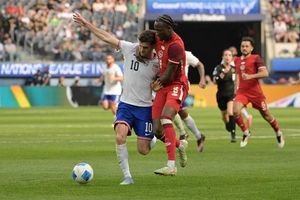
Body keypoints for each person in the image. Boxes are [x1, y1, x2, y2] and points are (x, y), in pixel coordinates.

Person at [73, 12, 159, 185]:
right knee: (120, 136)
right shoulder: (129, 48)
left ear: (153, 47)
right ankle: (127, 176)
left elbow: (165, 80)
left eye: (145, 47)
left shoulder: (159, 62)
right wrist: (87, 24)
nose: (141, 49)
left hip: (145, 108)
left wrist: (159, 85)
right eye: (140, 46)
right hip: (126, 104)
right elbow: (107, 37)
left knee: (143, 150)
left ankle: (152, 139)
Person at [152, 14, 189, 176]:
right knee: (157, 131)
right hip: (162, 86)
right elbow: (144, 40)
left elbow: (167, 77)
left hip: (175, 84)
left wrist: (153, 83)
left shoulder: (176, 46)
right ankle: (179, 145)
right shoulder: (159, 35)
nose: (157, 34)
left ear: (169, 29)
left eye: (159, 31)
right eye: (155, 30)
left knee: (166, 117)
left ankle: (171, 165)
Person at [233, 36, 285, 148]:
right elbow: (237, 76)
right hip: (242, 92)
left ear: (251, 48)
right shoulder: (237, 60)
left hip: (256, 93)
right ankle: (246, 132)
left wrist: (251, 76)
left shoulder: (256, 58)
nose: (244, 48)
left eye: (247, 46)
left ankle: (278, 132)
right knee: (235, 111)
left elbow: (265, 73)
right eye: (242, 46)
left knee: (267, 115)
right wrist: (235, 90)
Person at [173, 50, 206, 152]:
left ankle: (183, 134)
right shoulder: (163, 52)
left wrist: (202, 79)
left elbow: (199, 64)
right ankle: (199, 136)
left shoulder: (185, 54)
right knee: (182, 113)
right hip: (169, 87)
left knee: (169, 108)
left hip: (180, 87)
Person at [213, 49, 237, 143]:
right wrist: (224, 72)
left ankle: (233, 134)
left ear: (232, 57)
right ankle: (227, 124)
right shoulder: (218, 68)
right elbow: (215, 81)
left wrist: (237, 89)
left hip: (231, 94)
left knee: (231, 112)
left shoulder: (234, 69)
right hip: (221, 95)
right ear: (223, 57)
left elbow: (235, 80)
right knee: (224, 115)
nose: (227, 57)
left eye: (229, 55)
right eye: (226, 55)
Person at [228, 46, 252, 129]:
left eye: (233, 52)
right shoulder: (230, 60)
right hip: (231, 84)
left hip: (236, 84)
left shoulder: (237, 60)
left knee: (236, 103)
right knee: (236, 104)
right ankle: (247, 116)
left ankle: (247, 116)